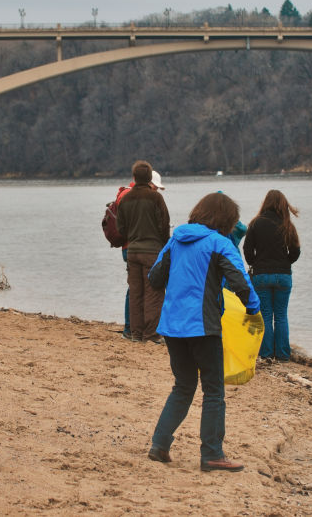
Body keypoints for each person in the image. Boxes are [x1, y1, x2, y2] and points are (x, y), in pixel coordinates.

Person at [147, 192, 261, 472]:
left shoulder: (175, 240)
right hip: (203, 327)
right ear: (226, 221)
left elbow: (154, 278)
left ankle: (159, 445)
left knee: (183, 386)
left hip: (172, 328)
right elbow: (241, 282)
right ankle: (212, 453)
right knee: (213, 390)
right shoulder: (219, 243)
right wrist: (253, 309)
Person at [242, 190, 300, 361]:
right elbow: (296, 251)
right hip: (283, 275)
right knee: (281, 315)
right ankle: (282, 354)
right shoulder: (287, 224)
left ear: (265, 203)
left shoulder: (255, 223)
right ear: (283, 205)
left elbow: (247, 249)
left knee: (266, 315)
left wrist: (254, 262)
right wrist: (286, 262)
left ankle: (266, 354)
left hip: (261, 275)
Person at [116, 161, 170, 343]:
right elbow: (164, 226)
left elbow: (121, 228)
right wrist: (163, 244)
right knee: (154, 292)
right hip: (152, 251)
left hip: (132, 251)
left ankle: (136, 334)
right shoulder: (156, 199)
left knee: (136, 293)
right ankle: (152, 334)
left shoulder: (126, 199)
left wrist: (132, 236)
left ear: (134, 177)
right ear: (149, 178)